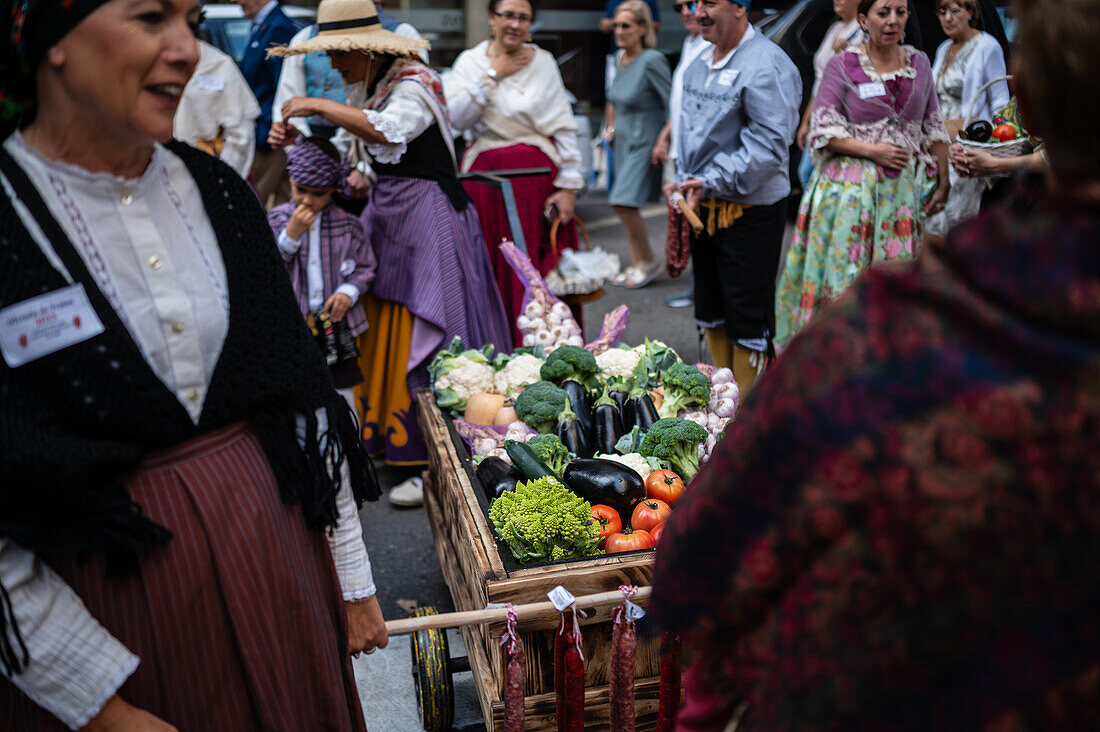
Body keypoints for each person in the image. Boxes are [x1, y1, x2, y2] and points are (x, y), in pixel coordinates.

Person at [651, 0, 1100, 726]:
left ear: (1030, 97)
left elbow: (704, 562)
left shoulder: (889, 336)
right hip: (856, 203)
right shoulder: (892, 325)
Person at [0, 0, 387, 728]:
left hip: (281, 581)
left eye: (188, 18)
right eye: (151, 17)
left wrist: (352, 578)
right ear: (49, 39)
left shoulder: (219, 196)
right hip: (112, 627)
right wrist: (103, 706)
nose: (187, 47)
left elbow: (300, 402)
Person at [271, 0, 511, 476]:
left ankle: (441, 455)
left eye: (338, 54)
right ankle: (398, 442)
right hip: (389, 214)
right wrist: (298, 142)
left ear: (365, 48)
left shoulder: (417, 84)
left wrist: (318, 105)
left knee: (432, 325)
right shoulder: (368, 83)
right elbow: (349, 155)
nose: (333, 64)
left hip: (428, 214)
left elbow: (389, 130)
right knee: (386, 321)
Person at [774, 0, 949, 350]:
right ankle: (837, 358)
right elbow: (822, 128)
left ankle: (885, 364)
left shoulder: (920, 63)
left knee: (894, 284)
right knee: (847, 282)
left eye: (900, 12)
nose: (893, 21)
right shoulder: (844, 64)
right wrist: (872, 150)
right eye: (883, 12)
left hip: (898, 198)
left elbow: (933, 124)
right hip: (849, 194)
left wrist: (943, 179)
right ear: (865, 19)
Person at [665, 0, 800, 395]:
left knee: (747, 315)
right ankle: (720, 406)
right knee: (710, 308)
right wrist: (681, 177)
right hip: (703, 206)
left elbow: (770, 148)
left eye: (710, 2)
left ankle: (750, 415)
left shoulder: (768, 65)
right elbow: (688, 136)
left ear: (740, 7)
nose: (698, 11)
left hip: (750, 210)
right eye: (695, 2)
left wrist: (708, 180)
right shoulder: (697, 63)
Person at [446, 0, 584, 347]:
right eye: (507, 15)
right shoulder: (470, 62)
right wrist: (496, 74)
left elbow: (563, 125)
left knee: (543, 271)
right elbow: (456, 119)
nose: (515, 24)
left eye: (523, 18)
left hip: (538, 184)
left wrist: (569, 185)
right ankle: (499, 348)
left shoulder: (544, 62)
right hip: (487, 186)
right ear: (492, 18)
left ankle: (552, 353)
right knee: (495, 269)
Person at [268, 137, 377, 413]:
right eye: (301, 190)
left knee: (342, 399)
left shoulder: (349, 225)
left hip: (337, 330)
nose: (307, 200)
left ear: (332, 190)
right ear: (290, 181)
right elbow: (267, 272)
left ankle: (343, 455)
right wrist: (290, 237)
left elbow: (366, 267)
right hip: (294, 329)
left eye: (318, 193)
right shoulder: (276, 221)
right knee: (297, 400)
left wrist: (348, 292)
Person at [925, 0, 1009, 237]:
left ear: (971, 12)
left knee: (955, 222)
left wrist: (990, 140)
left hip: (966, 146)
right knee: (930, 218)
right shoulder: (943, 49)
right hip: (938, 145)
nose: (947, 18)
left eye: (954, 11)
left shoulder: (987, 46)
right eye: (941, 12)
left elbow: (1000, 101)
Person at [605, 0, 670, 289]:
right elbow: (614, 99)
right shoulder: (620, 59)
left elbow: (673, 103)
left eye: (626, 25)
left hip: (646, 139)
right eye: (616, 25)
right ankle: (637, 261)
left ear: (643, 28)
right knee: (623, 202)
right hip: (623, 141)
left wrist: (665, 140)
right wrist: (610, 129)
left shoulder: (652, 59)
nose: (619, 31)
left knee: (623, 200)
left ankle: (647, 261)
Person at [651, 0, 711, 310]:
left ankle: (700, 291)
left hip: (695, 156)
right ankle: (694, 287)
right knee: (680, 222)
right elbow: (681, 104)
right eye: (679, 7)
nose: (687, 12)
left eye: (692, 4)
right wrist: (665, 136)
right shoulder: (690, 42)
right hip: (679, 150)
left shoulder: (710, 44)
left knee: (694, 222)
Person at [236, 0, 299, 207]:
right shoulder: (264, 25)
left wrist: (271, 131)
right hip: (266, 133)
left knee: (249, 205)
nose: (235, 1)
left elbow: (284, 86)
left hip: (269, 137)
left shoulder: (278, 27)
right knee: (284, 204)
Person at [795, 0, 863, 188]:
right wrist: (807, 120)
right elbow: (820, 78)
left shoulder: (862, 31)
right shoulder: (836, 28)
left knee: (815, 174)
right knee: (806, 174)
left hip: (841, 116)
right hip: (820, 112)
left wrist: (844, 55)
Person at [174, 39, 261, 179]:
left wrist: (220, 177)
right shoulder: (144, 61)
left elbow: (241, 135)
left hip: (202, 171)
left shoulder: (219, 64)